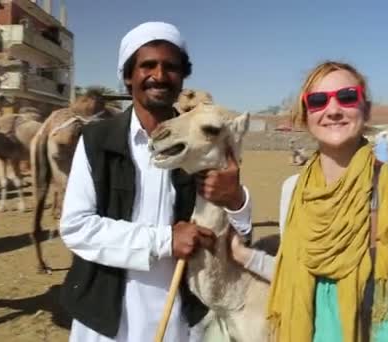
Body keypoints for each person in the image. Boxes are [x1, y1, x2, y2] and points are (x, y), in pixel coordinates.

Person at [229, 61, 388, 341]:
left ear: (366, 108)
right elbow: (294, 272)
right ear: (305, 115)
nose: (333, 110)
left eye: (347, 97)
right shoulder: (293, 190)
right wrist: (243, 256)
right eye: (318, 101)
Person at [58, 22, 253, 342]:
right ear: (128, 75)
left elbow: (239, 234)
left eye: (171, 67)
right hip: (105, 316)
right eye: (148, 65)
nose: (159, 75)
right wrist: (164, 240)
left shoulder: (201, 144)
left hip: (180, 314)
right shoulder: (97, 140)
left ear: (182, 77)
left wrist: (236, 200)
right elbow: (77, 227)